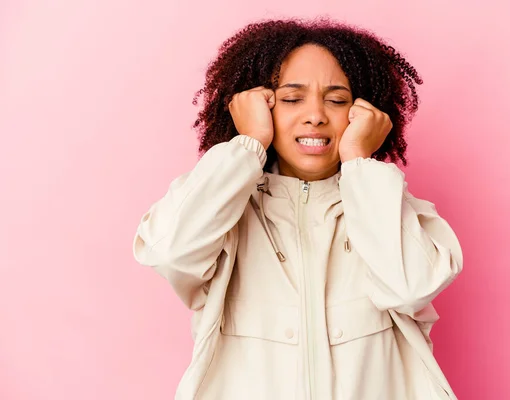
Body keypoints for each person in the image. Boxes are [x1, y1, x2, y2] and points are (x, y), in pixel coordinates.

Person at [133, 17, 463, 400]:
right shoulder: (221, 210)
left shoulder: (392, 210)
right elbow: (170, 252)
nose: (316, 115)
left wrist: (358, 162)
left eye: (337, 100)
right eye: (291, 98)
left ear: (365, 113)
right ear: (257, 108)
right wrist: (248, 144)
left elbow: (410, 289)